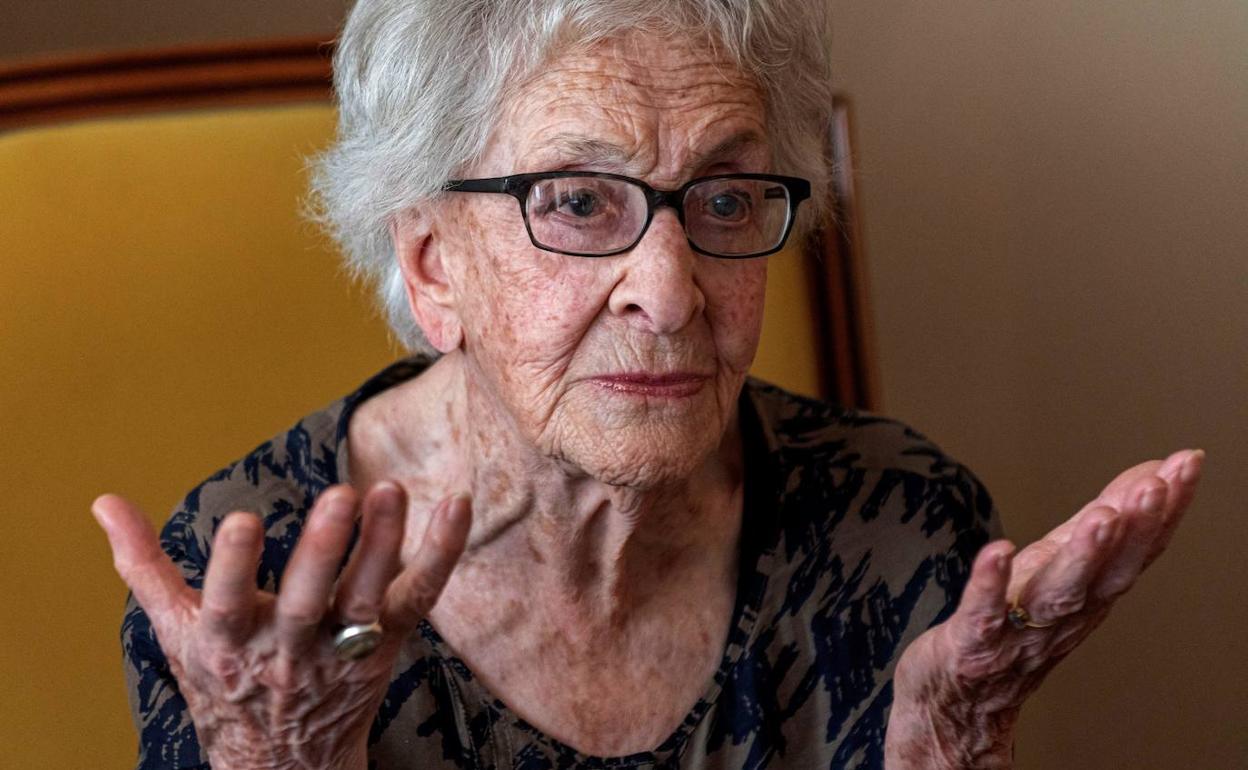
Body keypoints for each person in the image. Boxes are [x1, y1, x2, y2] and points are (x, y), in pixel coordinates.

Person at [91, 1, 1204, 767]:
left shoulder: (897, 529)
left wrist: (939, 753)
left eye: (724, 200)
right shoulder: (258, 603)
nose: (670, 295)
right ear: (433, 265)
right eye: (579, 201)